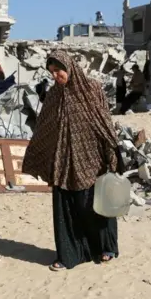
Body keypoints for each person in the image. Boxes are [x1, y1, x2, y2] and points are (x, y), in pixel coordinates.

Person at [22, 50, 124, 272]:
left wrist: (112, 154)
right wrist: (40, 154)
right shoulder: (54, 96)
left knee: (94, 206)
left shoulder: (92, 88)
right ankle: (69, 255)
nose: (55, 75)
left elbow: (104, 121)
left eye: (58, 70)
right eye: (51, 72)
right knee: (68, 209)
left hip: (92, 159)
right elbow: (44, 128)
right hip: (64, 161)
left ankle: (105, 248)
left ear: (70, 67)